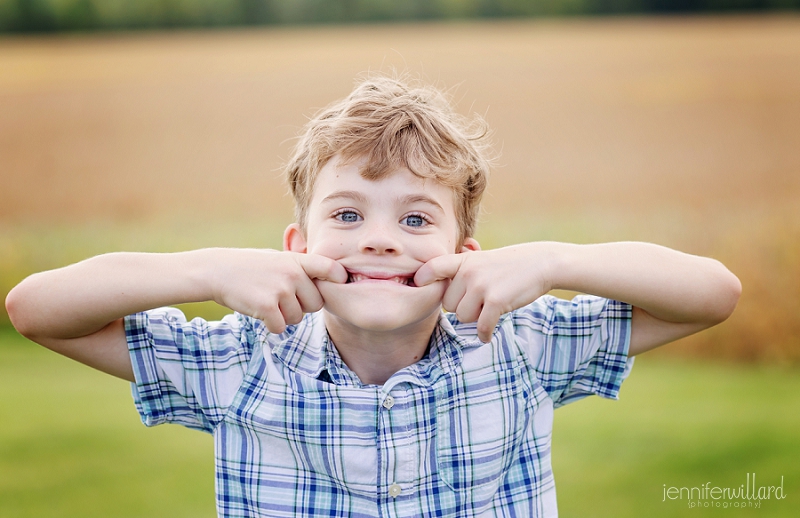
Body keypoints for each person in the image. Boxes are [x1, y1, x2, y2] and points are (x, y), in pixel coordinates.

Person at [5, 75, 741, 518]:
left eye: (416, 218)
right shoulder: (239, 362)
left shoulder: (519, 343)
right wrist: (207, 271)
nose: (381, 239)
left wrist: (552, 261)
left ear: (465, 258)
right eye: (348, 214)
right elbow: (35, 309)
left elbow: (711, 295)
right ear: (297, 250)